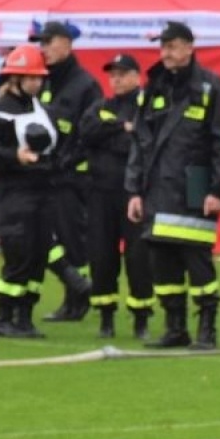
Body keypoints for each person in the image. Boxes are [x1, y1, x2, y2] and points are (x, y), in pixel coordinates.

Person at [127, 22, 220, 351]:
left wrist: (218, 188)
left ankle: (207, 327)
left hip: (196, 185)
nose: (166, 53)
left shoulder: (210, 86)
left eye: (173, 46)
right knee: (161, 260)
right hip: (157, 188)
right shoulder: (154, 86)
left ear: (190, 47)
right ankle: (175, 327)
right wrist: (134, 190)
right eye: (163, 46)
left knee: (197, 259)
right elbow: (140, 142)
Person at [0, 43, 58, 338]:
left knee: (38, 255)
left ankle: (25, 316)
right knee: (19, 255)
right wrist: (15, 157)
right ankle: (4, 318)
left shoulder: (41, 108)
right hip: (11, 193)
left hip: (42, 190)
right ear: (15, 78)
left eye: (39, 78)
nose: (36, 83)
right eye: (31, 77)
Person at [31, 20, 100, 324]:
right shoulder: (43, 82)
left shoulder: (85, 85)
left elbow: (93, 132)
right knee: (44, 237)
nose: (43, 48)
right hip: (45, 174)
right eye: (41, 43)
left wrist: (69, 161)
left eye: (49, 42)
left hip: (73, 179)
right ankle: (74, 292)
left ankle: (77, 299)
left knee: (73, 241)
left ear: (67, 44)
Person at [84, 52, 152, 341]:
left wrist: (110, 137)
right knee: (101, 256)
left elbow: (140, 143)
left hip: (133, 193)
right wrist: (120, 128)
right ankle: (106, 317)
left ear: (137, 77)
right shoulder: (102, 106)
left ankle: (141, 319)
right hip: (100, 192)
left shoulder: (147, 106)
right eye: (112, 75)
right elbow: (86, 132)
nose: (117, 80)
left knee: (139, 257)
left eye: (122, 74)